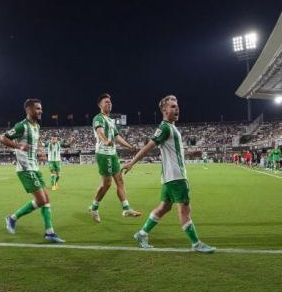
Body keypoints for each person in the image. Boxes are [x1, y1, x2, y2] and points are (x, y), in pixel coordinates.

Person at [122, 95, 215, 253]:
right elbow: (149, 146)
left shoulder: (171, 128)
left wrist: (192, 154)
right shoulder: (165, 128)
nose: (176, 108)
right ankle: (196, 243)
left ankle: (142, 233)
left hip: (168, 178)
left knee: (164, 208)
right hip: (177, 177)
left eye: (177, 106)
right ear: (164, 110)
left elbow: (175, 151)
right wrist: (132, 162)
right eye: (172, 106)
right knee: (184, 210)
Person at [0, 99, 64, 243]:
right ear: (29, 110)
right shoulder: (22, 126)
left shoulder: (37, 126)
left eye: (41, 108)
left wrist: (40, 151)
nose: (41, 111)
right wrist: (19, 146)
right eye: (38, 108)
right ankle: (12, 218)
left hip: (35, 167)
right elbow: (2, 138)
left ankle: (49, 232)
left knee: (46, 199)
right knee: (41, 199)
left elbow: (36, 142)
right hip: (25, 168)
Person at [88, 93, 141, 223]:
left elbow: (117, 137)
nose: (109, 103)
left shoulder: (111, 121)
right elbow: (99, 131)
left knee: (120, 181)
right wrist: (105, 140)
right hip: (103, 153)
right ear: (100, 105)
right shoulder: (98, 118)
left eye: (110, 102)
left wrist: (129, 146)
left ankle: (126, 208)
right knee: (107, 184)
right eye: (106, 102)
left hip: (113, 154)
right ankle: (94, 208)